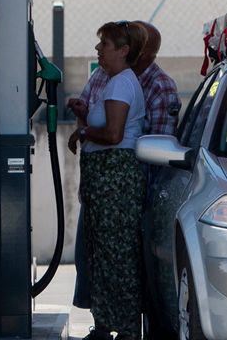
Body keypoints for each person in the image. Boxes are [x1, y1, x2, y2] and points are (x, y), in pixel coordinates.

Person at [66, 21, 149, 340]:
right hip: (104, 178)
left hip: (115, 178)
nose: (98, 49)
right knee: (101, 251)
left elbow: (114, 134)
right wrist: (85, 116)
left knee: (118, 253)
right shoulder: (112, 82)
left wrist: (84, 131)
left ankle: (126, 329)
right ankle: (104, 324)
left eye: (105, 44)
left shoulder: (121, 84)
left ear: (124, 50)